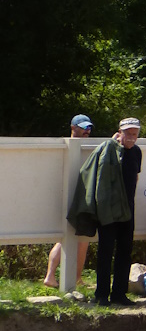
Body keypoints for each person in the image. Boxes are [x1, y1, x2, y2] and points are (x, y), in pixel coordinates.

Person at [67, 116, 142, 305]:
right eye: (129, 133)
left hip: (128, 209)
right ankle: (101, 295)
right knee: (105, 252)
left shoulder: (137, 152)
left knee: (125, 251)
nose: (132, 137)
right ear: (120, 132)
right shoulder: (108, 149)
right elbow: (92, 176)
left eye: (135, 133)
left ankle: (119, 294)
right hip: (108, 209)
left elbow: (136, 177)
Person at [46, 115, 94, 289]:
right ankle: (57, 277)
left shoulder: (87, 147)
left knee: (75, 239)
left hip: (78, 197)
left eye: (89, 128)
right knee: (74, 239)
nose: (87, 131)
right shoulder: (66, 145)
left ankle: (71, 278)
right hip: (70, 197)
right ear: (73, 127)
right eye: (83, 128)